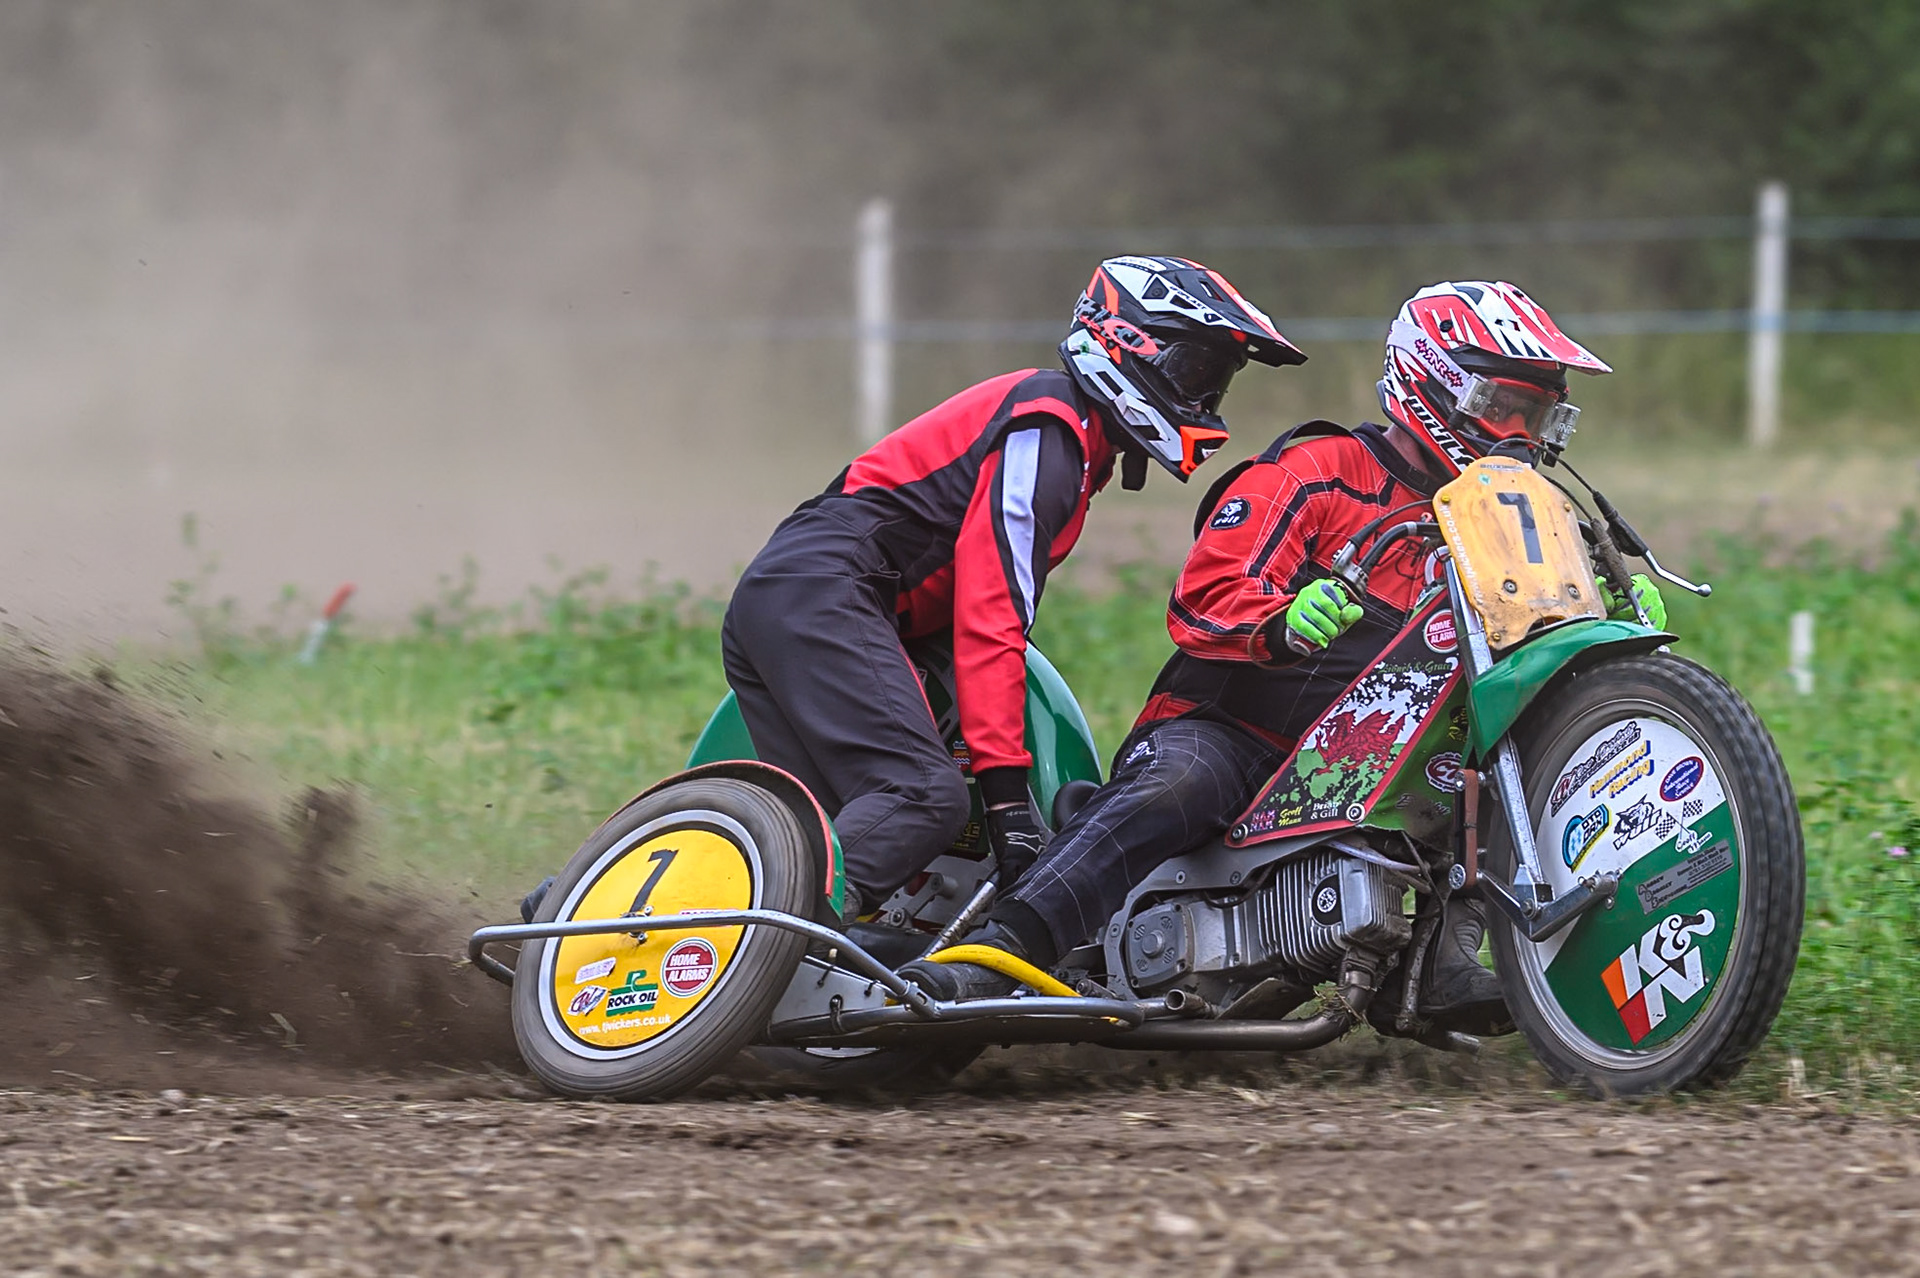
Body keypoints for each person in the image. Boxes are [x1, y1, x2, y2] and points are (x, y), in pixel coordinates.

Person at [902, 280, 1668, 1035]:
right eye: (1504, 408)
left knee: (1492, 765)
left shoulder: (1507, 522)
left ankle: (1446, 957)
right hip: (1233, 731)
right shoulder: (1317, 469)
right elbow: (1202, 596)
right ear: (1437, 383)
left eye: (1538, 416)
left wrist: (1596, 613)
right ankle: (1002, 946)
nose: (1520, 436)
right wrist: (1279, 619)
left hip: (1381, 759)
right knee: (1182, 779)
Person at [719, 256, 1305, 921]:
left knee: (863, 832)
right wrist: (1005, 801)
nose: (1203, 401)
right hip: (825, 588)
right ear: (1129, 342)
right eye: (1196, 371)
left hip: (810, 594)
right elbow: (991, 613)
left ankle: (758, 966)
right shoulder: (1047, 423)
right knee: (923, 799)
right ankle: (761, 945)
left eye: (1216, 384)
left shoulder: (1077, 448)